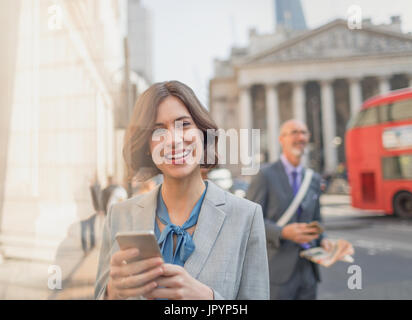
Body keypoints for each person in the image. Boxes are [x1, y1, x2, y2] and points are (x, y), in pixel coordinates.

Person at [94, 80, 269, 300]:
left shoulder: (247, 216)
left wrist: (209, 299)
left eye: (184, 124)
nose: (174, 140)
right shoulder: (119, 216)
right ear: (147, 147)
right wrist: (111, 295)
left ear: (202, 133)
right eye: (158, 130)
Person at [246, 119, 353, 300]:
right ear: (282, 139)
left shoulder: (313, 178)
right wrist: (282, 232)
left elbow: (317, 220)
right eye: (294, 132)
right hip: (277, 272)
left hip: (308, 272)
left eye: (304, 133)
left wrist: (324, 240)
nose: (300, 137)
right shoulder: (265, 175)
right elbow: (249, 221)